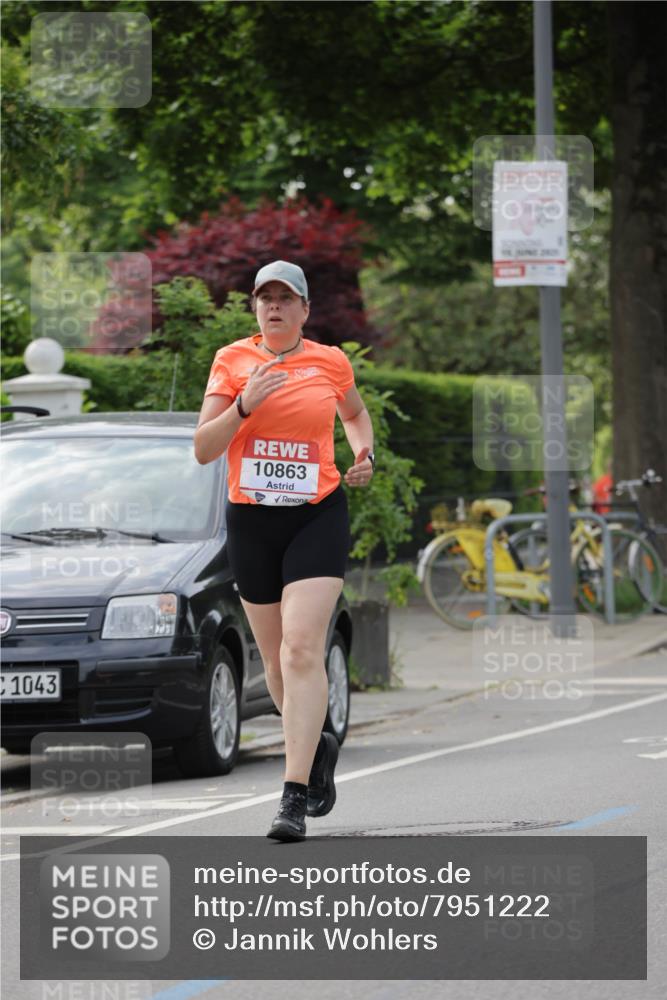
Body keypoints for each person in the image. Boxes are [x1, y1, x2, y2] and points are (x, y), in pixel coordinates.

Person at [194, 260, 374, 841]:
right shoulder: (231, 361)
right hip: (251, 521)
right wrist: (243, 404)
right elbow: (203, 449)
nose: (273, 306)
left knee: (301, 649)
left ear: (304, 309)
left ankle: (292, 798)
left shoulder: (330, 362)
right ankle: (316, 741)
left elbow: (354, 414)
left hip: (316, 515)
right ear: (255, 308)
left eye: (284, 297)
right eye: (263, 298)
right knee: (274, 664)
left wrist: (363, 453)